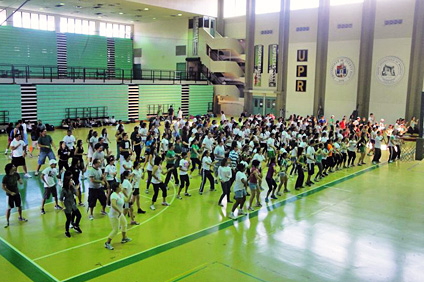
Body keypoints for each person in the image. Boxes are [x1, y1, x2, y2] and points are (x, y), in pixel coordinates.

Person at [105, 182, 132, 250]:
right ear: (117, 188)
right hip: (114, 215)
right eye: (120, 185)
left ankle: (124, 238)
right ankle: (107, 243)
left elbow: (127, 200)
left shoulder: (120, 194)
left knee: (124, 223)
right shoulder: (114, 195)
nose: (122, 186)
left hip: (119, 214)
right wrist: (119, 211)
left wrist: (131, 193)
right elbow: (113, 205)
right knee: (115, 230)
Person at [2, 163, 28, 228]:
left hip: (17, 193)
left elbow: (19, 179)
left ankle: (20, 217)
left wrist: (20, 181)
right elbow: (3, 187)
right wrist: (10, 192)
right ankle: (7, 221)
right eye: (13, 166)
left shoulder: (16, 174)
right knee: (9, 208)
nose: (14, 166)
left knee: (19, 206)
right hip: (9, 195)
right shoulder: (6, 177)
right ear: (10, 168)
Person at [60, 171, 82, 237]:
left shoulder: (72, 188)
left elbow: (77, 194)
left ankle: (76, 225)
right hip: (67, 205)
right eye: (71, 181)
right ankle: (67, 231)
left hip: (73, 203)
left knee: (79, 215)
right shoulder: (64, 189)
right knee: (68, 219)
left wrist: (76, 188)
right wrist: (63, 206)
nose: (72, 181)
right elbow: (61, 199)